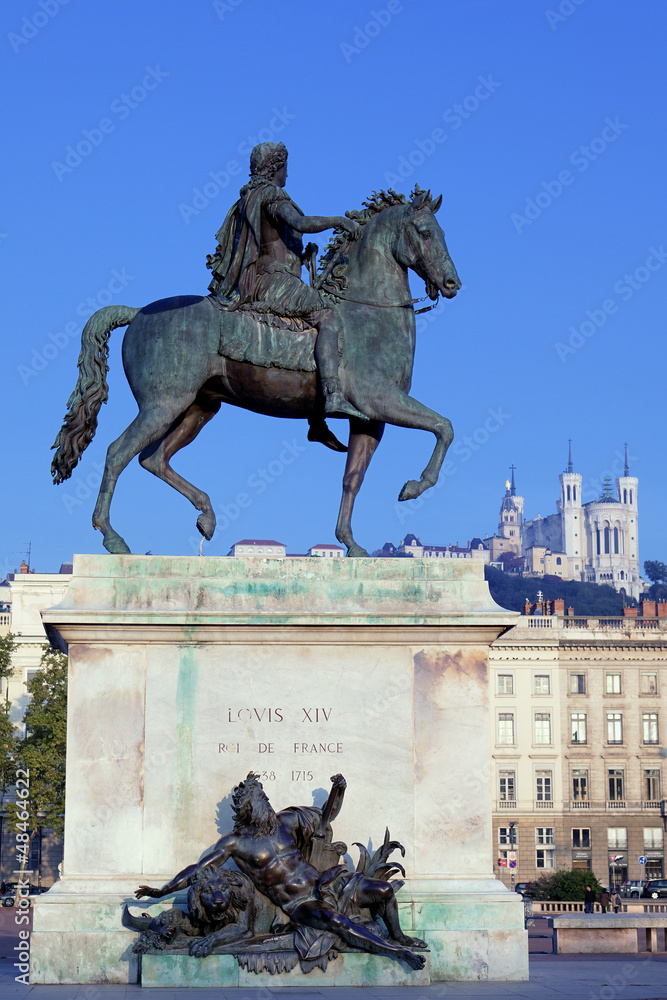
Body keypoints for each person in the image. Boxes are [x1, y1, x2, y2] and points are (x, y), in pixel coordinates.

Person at [136, 772, 426, 970]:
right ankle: (398, 952)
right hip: (301, 903)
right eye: (256, 802)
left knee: (385, 891)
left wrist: (340, 789)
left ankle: (398, 936)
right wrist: (162, 891)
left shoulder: (286, 821)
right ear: (247, 810)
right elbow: (199, 869)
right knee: (337, 922)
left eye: (263, 798)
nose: (264, 805)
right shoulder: (237, 843)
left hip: (328, 883)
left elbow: (326, 818)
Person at [207, 141, 366, 423]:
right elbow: (300, 223)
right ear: (276, 167)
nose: (288, 175)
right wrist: (338, 221)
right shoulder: (270, 195)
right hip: (271, 281)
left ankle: (315, 417)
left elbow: (272, 243)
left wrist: (302, 257)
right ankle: (333, 394)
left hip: (263, 278)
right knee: (328, 317)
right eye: (285, 168)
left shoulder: (246, 199)